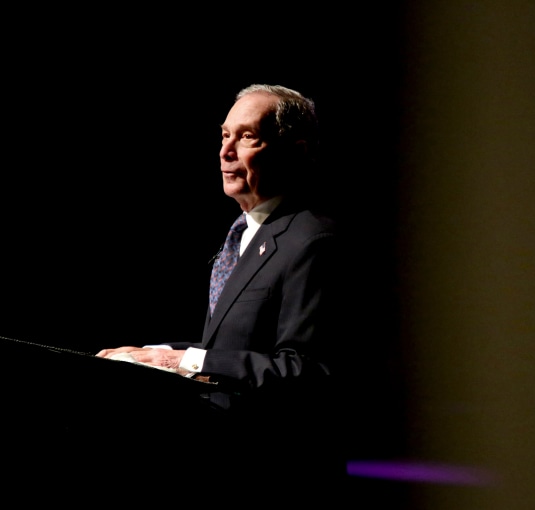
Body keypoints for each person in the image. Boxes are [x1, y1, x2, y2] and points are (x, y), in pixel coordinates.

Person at [94, 84, 347, 503]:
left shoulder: (313, 240)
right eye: (224, 135)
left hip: (278, 475)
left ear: (297, 151)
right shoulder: (247, 233)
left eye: (248, 137)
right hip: (220, 463)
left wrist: (181, 360)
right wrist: (148, 355)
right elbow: (230, 349)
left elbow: (306, 371)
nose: (226, 151)